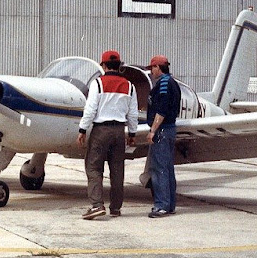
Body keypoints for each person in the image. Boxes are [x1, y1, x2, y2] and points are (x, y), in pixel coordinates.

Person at [77, 50, 138, 220]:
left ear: (103, 65)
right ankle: (116, 208)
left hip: (101, 130)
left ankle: (97, 205)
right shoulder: (129, 86)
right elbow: (132, 113)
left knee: (94, 167)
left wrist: (82, 129)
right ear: (119, 65)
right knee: (117, 169)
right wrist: (132, 132)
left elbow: (90, 110)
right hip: (119, 131)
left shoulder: (98, 83)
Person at [145, 55, 180, 218]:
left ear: (158, 67)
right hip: (169, 130)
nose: (151, 72)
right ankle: (170, 204)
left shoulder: (164, 84)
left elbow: (162, 109)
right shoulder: (172, 82)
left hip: (162, 131)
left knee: (159, 169)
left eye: (152, 68)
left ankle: (162, 206)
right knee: (167, 168)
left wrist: (153, 130)